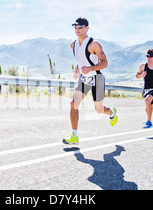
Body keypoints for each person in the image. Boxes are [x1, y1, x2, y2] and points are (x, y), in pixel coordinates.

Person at [63, 17, 117, 145]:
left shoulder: (94, 44)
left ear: (87, 28)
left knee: (99, 110)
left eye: (80, 27)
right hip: (84, 79)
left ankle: (111, 112)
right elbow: (80, 59)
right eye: (75, 27)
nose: (77, 30)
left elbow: (105, 63)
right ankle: (74, 136)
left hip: (97, 79)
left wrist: (90, 68)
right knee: (73, 104)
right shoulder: (73, 45)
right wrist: (78, 70)